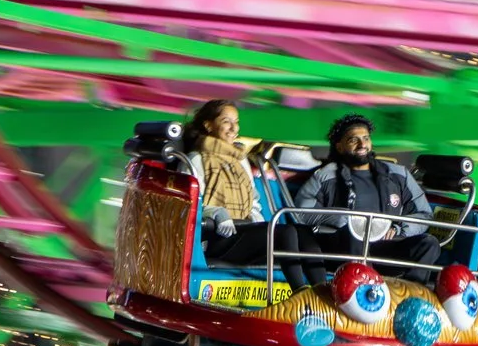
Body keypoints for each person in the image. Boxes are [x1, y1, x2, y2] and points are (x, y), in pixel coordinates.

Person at [290, 114, 444, 280]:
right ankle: (364, 290)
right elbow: (301, 213)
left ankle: (411, 295)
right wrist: (342, 218)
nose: (362, 144)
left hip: (385, 245)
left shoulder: (398, 174)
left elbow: (424, 215)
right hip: (343, 247)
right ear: (340, 147)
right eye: (353, 140)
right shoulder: (326, 175)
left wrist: (399, 228)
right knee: (353, 234)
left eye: (366, 138)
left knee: (429, 244)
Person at [180, 99, 310, 291]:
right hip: (216, 235)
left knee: (303, 234)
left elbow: (253, 202)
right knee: (286, 233)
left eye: (236, 122)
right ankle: (300, 291)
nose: (234, 128)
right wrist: (216, 213)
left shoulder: (240, 162)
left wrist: (255, 222)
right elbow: (187, 206)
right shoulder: (196, 160)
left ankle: (319, 289)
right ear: (208, 125)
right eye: (226, 121)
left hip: (242, 232)